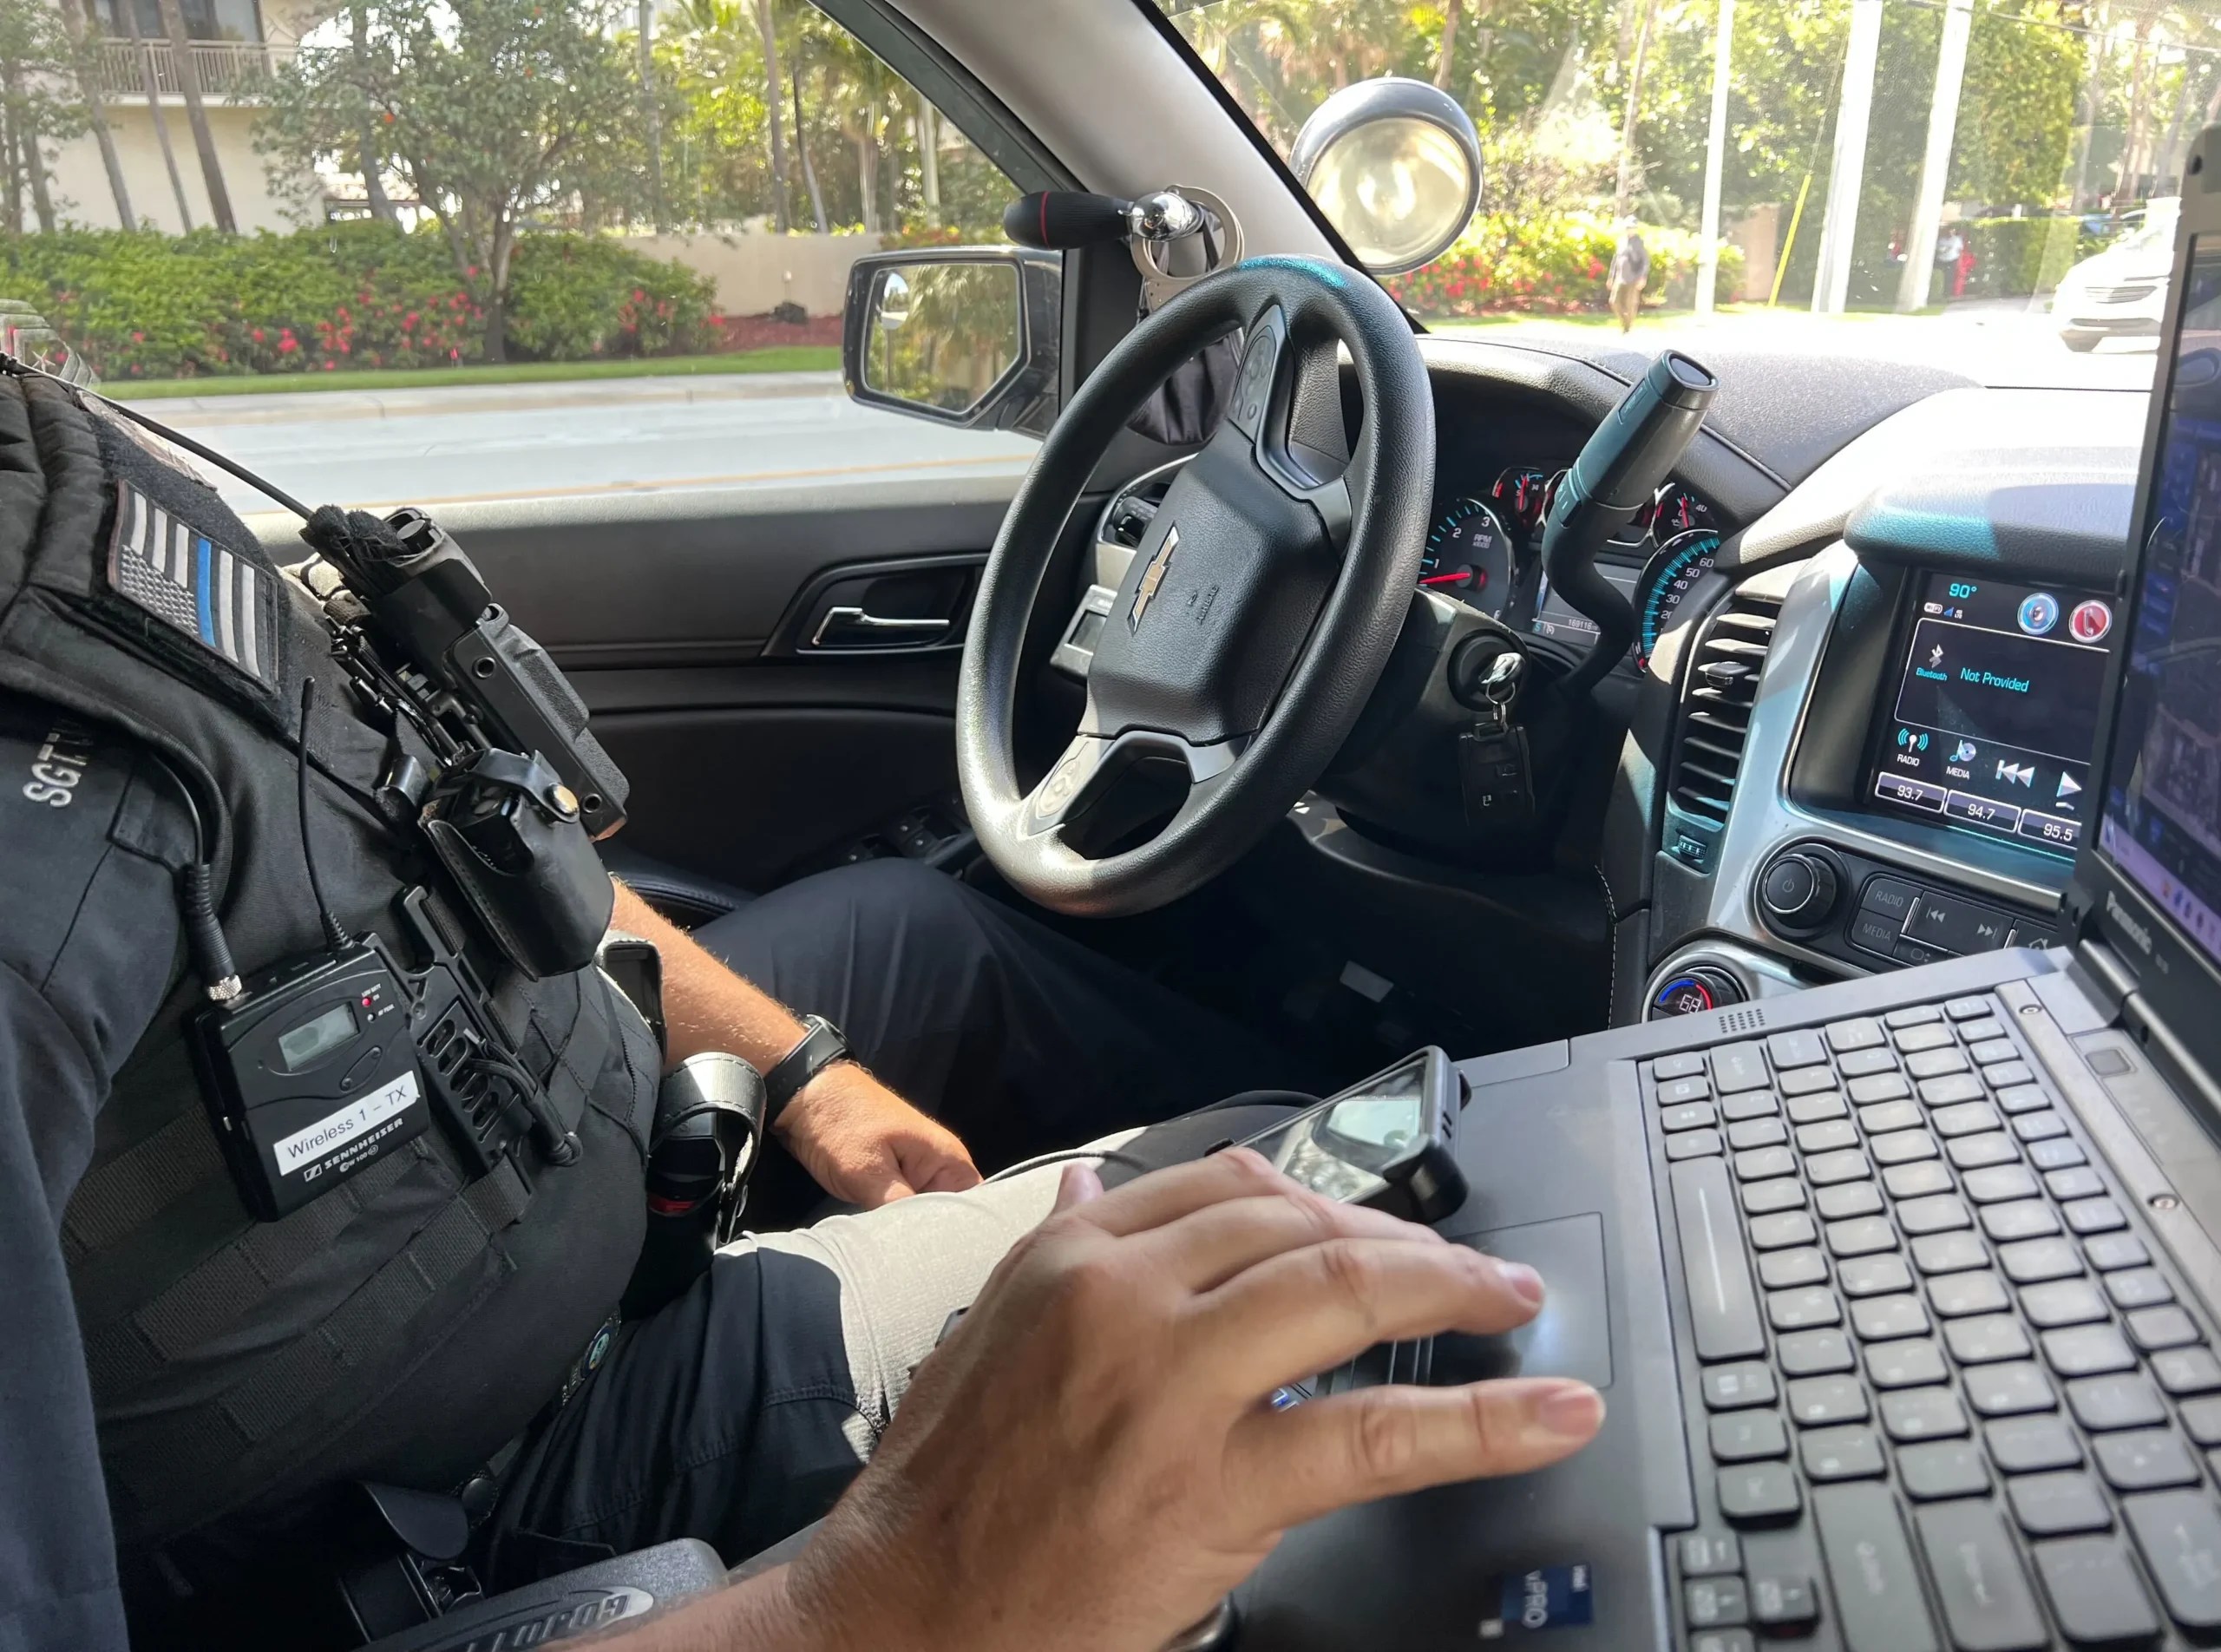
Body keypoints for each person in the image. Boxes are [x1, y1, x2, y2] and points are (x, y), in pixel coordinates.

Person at [0, 367, 1604, 1652]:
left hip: (563, 1129)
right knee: (1316, 1225)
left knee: (930, 933)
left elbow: (435, 821)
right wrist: (894, 1587)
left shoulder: (50, 458)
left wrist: (802, 1067)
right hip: (492, 1459)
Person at [1608, 218, 1649, 334]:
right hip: (1620, 277)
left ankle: (1627, 328)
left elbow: (1645, 261)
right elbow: (1615, 260)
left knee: (1630, 305)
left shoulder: (1639, 243)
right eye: (1628, 228)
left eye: (1632, 228)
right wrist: (1611, 276)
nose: (1630, 230)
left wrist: (1642, 277)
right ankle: (1625, 323)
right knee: (1614, 302)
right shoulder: (1621, 241)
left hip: (1633, 278)